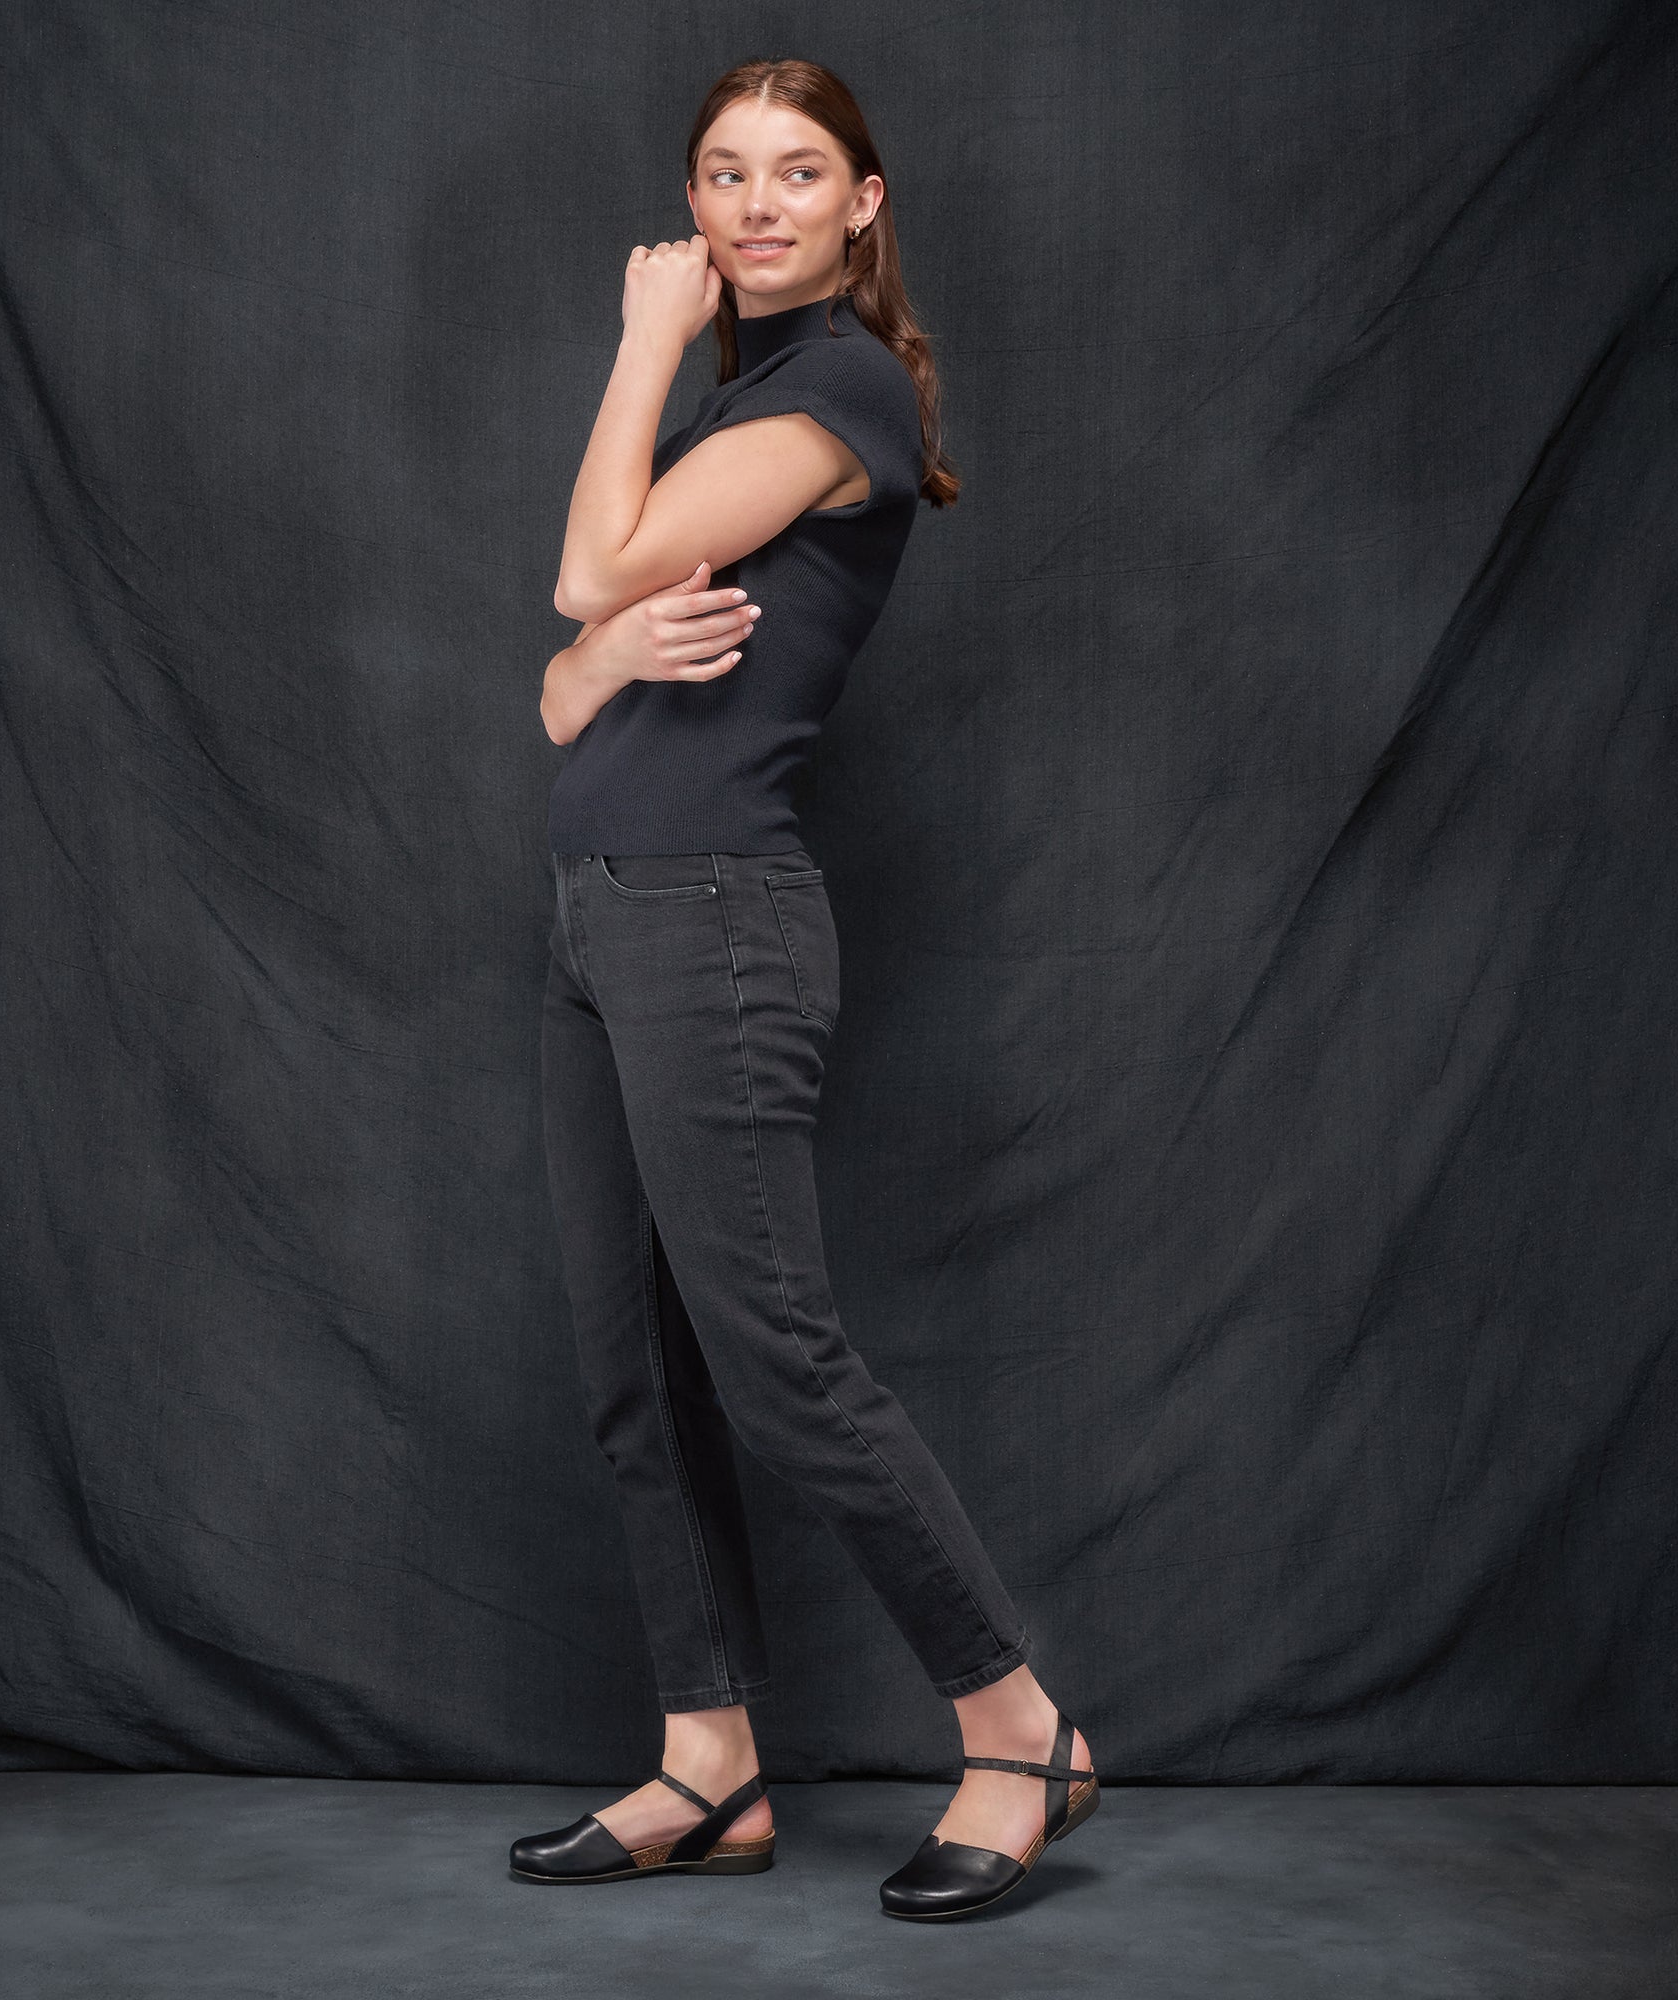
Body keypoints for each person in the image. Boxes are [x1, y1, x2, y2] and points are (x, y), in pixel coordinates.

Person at [511, 58, 1100, 1921]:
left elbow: (583, 578)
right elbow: (560, 692)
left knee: (778, 1360)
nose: (752, 205)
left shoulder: (840, 384)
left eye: (795, 173)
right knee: (634, 1372)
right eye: (718, 175)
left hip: (717, 923)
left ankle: (1018, 1729)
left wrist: (636, 342)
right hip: (599, 914)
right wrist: (598, 651)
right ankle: (714, 1761)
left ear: (863, 204)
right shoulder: (747, 404)